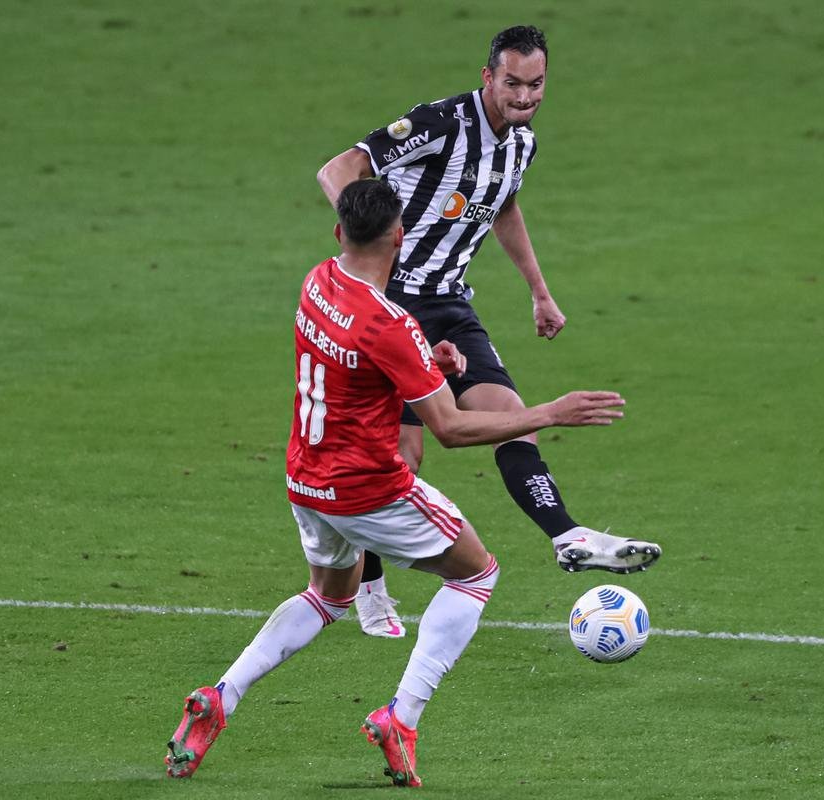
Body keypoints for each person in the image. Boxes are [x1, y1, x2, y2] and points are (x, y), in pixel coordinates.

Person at [164, 179, 626, 787]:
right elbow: (452, 430)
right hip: (368, 488)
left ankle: (222, 696)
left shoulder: (319, 279)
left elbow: (356, 362)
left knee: (329, 596)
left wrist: (428, 362)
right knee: (477, 573)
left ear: (340, 233)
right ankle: (400, 717)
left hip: (306, 479)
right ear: (401, 236)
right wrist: (549, 412)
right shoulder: (389, 325)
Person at [317, 25, 661, 638]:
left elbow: (501, 205)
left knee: (510, 412)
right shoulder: (440, 122)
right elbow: (339, 168)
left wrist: (539, 289)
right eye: (512, 84)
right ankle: (369, 589)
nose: (524, 97)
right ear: (488, 78)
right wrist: (362, 238)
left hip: (450, 305)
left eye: (536, 85)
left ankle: (566, 534)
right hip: (390, 305)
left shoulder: (521, 144)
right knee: (402, 457)